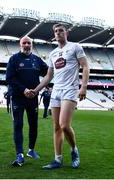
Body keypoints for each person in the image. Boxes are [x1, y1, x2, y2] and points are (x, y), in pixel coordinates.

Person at [27, 23, 90, 169]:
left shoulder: (75, 47)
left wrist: (84, 87)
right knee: (56, 127)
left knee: (64, 125)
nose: (58, 33)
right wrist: (35, 90)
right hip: (56, 91)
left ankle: (74, 150)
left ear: (66, 33)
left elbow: (85, 66)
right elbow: (48, 77)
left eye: (61, 30)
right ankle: (58, 159)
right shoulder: (53, 53)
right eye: (55, 31)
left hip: (70, 89)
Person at [6, 36, 48, 167]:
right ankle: (19, 153)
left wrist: (37, 89)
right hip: (18, 97)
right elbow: (9, 78)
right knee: (18, 125)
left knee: (33, 124)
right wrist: (23, 89)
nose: (26, 45)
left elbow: (48, 72)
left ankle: (31, 150)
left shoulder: (37, 60)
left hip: (33, 98)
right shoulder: (14, 59)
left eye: (28, 43)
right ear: (20, 45)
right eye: (24, 43)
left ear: (32, 45)